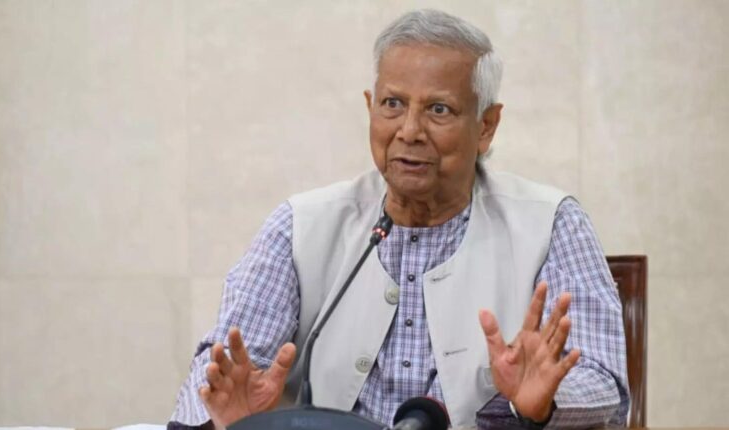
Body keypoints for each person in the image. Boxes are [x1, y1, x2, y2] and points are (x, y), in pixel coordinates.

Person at [169, 9, 629, 429]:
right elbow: (226, 371)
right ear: (370, 106)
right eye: (392, 104)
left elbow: (603, 381)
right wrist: (223, 419)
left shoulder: (551, 223)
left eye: (438, 110)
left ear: (486, 125)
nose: (409, 131)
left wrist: (535, 405)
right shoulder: (300, 226)